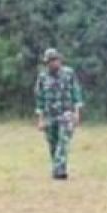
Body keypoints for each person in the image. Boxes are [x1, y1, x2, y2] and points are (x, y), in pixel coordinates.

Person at [34, 48, 84, 180]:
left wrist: (77, 113)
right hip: (50, 115)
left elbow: (76, 93)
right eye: (48, 62)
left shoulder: (69, 74)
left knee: (63, 142)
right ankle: (58, 167)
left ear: (59, 60)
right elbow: (39, 98)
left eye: (53, 60)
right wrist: (40, 119)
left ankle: (59, 171)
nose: (51, 64)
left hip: (66, 114)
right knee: (53, 144)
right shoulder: (43, 77)